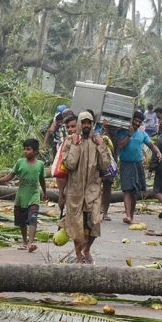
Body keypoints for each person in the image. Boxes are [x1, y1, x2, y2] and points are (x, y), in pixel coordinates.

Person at [58, 111, 112, 264]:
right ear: (80, 124)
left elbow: (105, 164)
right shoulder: (70, 141)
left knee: (95, 222)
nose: (87, 125)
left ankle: (87, 249)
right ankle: (79, 255)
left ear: (92, 124)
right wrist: (75, 145)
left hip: (93, 190)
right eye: (84, 122)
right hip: (75, 191)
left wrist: (101, 145)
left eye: (89, 122)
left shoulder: (98, 141)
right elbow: (70, 164)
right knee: (77, 225)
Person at [0, 138, 48, 252]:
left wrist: (44, 193)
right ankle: (24, 242)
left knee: (33, 218)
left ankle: (31, 243)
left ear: (35, 152)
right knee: (22, 221)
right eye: (24, 149)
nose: (25, 151)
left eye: (28, 149)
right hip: (21, 196)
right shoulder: (20, 162)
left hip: (34, 195)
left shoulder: (40, 165)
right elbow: (10, 176)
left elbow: (42, 180)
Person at [115, 110, 162, 224]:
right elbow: (120, 145)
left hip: (138, 164)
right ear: (131, 120)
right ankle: (127, 215)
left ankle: (131, 215)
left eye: (139, 122)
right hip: (126, 164)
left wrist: (158, 152)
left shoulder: (142, 134)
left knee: (135, 192)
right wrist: (129, 134)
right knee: (127, 190)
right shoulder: (123, 132)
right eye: (135, 121)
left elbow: (151, 145)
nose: (137, 123)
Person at [55, 113, 79, 214]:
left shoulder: (90, 141)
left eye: (73, 126)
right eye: (68, 127)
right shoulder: (66, 143)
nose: (70, 130)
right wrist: (61, 195)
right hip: (72, 187)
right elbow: (61, 171)